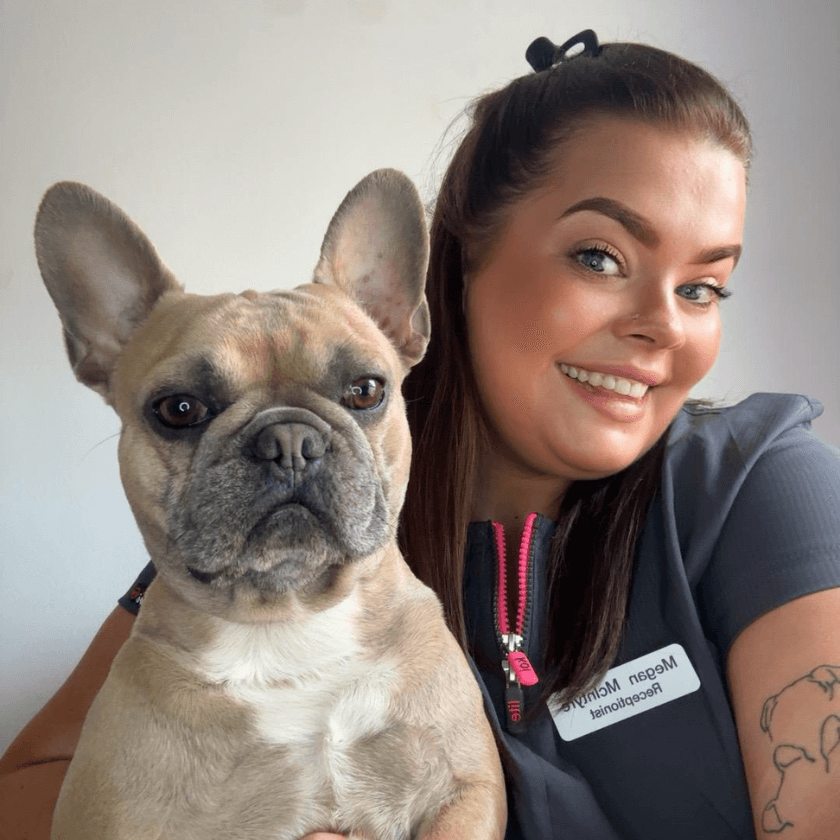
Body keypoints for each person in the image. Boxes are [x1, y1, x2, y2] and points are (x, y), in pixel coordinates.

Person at [2, 29, 839, 840]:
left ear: (395, 310)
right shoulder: (258, 529)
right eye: (601, 256)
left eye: (704, 288)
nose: (662, 324)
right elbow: (30, 783)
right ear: (457, 261)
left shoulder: (762, 484)